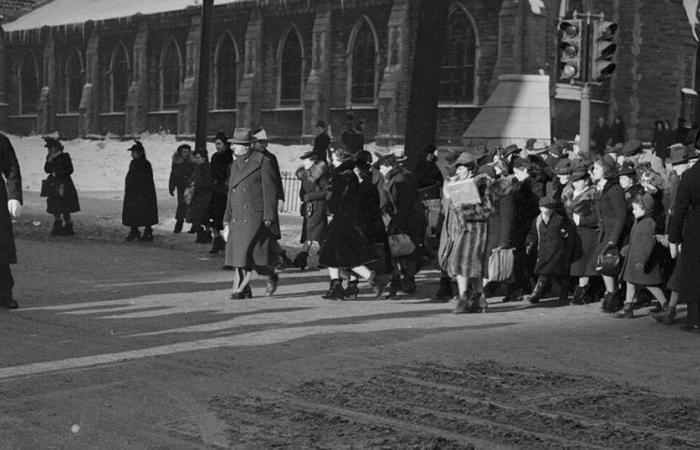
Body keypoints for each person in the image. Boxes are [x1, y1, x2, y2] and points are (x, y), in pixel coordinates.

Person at [317, 145, 390, 300]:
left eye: (334, 159)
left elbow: (333, 200)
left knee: (341, 255)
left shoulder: (340, 175)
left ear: (338, 160)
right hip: (353, 220)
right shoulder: (353, 174)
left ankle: (373, 279)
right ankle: (337, 285)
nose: (333, 162)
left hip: (341, 221)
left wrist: (330, 209)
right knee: (335, 253)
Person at [438, 152, 493, 314]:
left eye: (461, 168)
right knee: (472, 266)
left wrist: (460, 204)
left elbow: (485, 210)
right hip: (463, 229)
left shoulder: (481, 182)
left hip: (473, 230)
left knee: (460, 264)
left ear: (469, 168)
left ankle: (463, 298)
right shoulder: (463, 182)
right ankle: (479, 298)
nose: (458, 171)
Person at [377, 153, 426, 296]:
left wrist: (396, 222)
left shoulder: (401, 179)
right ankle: (402, 280)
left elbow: (404, 203)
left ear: (389, 166)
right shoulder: (395, 177)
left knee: (406, 250)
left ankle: (407, 281)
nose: (380, 170)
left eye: (382, 167)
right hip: (404, 218)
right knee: (402, 250)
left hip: (407, 219)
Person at [617, 193, 668, 318]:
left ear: (645, 210)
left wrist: (642, 260)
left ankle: (666, 305)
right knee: (630, 282)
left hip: (641, 261)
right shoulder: (640, 221)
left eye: (636, 209)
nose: (633, 211)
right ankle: (628, 307)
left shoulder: (648, 223)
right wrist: (627, 249)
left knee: (648, 284)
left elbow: (647, 244)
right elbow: (636, 241)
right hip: (635, 259)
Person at [668, 145, 700, 332]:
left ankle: (694, 319)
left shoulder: (689, 176)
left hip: (696, 228)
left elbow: (679, 211)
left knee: (694, 274)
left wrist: (674, 237)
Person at [591, 155, 627, 312]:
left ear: (606, 169)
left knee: (608, 264)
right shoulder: (601, 187)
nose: (594, 171)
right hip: (605, 232)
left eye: (597, 168)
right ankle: (611, 294)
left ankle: (613, 295)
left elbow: (621, 214)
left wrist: (613, 239)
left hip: (613, 232)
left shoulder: (614, 188)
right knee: (605, 265)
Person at [251, 127, 290, 267]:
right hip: (254, 199)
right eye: (260, 142)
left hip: (267, 199)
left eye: (264, 142)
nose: (263, 145)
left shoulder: (269, 158)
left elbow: (276, 180)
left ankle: (279, 257)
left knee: (267, 231)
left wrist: (280, 197)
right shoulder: (250, 156)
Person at [504, 158, 540, 302]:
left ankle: (527, 287)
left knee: (525, 259)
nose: (514, 174)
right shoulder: (520, 185)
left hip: (526, 226)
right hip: (519, 225)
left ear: (524, 170)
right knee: (518, 259)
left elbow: (531, 206)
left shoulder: (531, 185)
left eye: (517, 171)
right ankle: (517, 288)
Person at [525, 196, 570, 303]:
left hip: (556, 251)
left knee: (549, 273)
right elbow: (533, 233)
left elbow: (566, 234)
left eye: (550, 208)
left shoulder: (560, 219)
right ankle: (538, 294)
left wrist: (565, 234)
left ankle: (537, 294)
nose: (548, 210)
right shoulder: (537, 220)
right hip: (543, 250)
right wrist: (529, 243)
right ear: (540, 208)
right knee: (548, 273)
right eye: (545, 208)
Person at [564, 165, 599, 304]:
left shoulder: (593, 194)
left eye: (579, 180)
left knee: (585, 264)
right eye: (574, 181)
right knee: (578, 263)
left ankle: (582, 291)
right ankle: (581, 290)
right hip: (574, 233)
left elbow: (598, 216)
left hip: (587, 232)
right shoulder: (569, 195)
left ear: (586, 181)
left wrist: (583, 221)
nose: (576, 183)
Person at [294, 149, 329, 270]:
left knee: (312, 234)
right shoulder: (306, 174)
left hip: (318, 208)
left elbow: (327, 192)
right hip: (310, 208)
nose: (304, 163)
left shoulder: (320, 174)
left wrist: (311, 196)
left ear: (313, 161)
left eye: (306, 160)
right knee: (319, 235)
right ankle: (325, 259)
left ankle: (302, 259)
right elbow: (303, 191)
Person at [0, 133, 22, 309]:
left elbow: (12, 168)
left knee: (1, 248)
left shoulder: (1, 140)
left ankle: (4, 294)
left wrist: (13, 196)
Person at [43, 137, 80, 236]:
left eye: (51, 147)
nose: (49, 150)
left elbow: (70, 169)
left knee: (65, 206)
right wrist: (49, 161)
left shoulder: (65, 156)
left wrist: (58, 174)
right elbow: (46, 170)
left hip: (65, 183)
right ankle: (58, 224)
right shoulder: (50, 157)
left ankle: (68, 225)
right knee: (55, 205)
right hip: (53, 184)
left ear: (56, 147)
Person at [122, 141, 158, 242]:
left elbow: (143, 178)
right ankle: (135, 230)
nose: (131, 154)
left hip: (142, 193)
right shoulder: (134, 163)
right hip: (134, 193)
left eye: (133, 152)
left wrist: (136, 188)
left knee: (144, 212)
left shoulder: (145, 164)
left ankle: (147, 231)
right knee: (135, 212)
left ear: (139, 153)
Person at [208, 132, 234, 254]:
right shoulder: (215, 157)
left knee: (224, 218)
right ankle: (217, 238)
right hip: (216, 190)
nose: (217, 146)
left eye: (219, 144)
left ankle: (224, 241)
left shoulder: (230, 156)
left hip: (225, 191)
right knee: (212, 217)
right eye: (216, 144)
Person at [186, 148, 213, 244]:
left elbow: (206, 181)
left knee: (201, 215)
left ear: (204, 158)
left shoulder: (204, 168)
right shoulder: (199, 167)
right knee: (201, 216)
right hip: (199, 195)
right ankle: (204, 233)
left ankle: (204, 234)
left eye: (198, 158)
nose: (196, 160)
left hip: (203, 195)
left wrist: (195, 185)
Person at [168, 144, 195, 234]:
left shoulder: (192, 162)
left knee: (191, 205)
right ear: (180, 153)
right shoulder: (176, 162)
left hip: (190, 187)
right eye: (184, 152)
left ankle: (194, 225)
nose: (186, 154)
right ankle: (179, 224)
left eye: (187, 152)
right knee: (181, 205)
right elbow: (173, 175)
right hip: (181, 186)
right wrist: (171, 186)